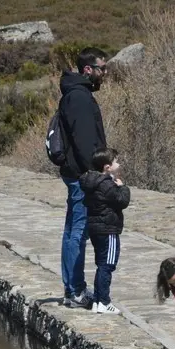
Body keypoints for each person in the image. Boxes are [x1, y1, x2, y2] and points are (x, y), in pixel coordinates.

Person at [58, 47, 109, 309]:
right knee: (78, 232)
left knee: (72, 231)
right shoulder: (79, 97)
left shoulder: (76, 94)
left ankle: (72, 289)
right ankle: (75, 291)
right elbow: (85, 142)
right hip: (82, 176)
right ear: (88, 69)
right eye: (102, 68)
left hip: (77, 174)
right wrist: (98, 173)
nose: (105, 73)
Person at [79, 148, 130, 314]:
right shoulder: (106, 184)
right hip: (108, 228)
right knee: (107, 265)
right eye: (116, 161)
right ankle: (104, 302)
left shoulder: (90, 181)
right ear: (107, 167)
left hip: (95, 228)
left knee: (101, 265)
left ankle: (97, 300)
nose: (118, 163)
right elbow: (121, 201)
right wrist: (123, 187)